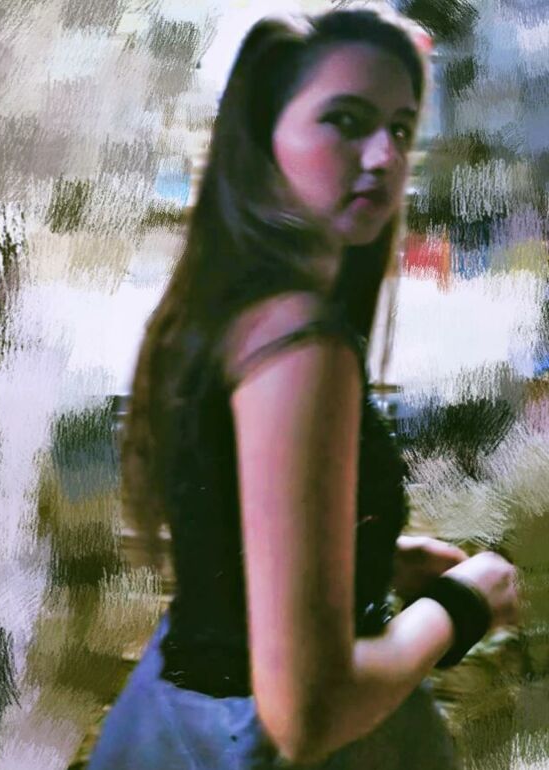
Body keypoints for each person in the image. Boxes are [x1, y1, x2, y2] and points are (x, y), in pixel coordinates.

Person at [88, 8, 519, 769]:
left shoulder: (227, 306)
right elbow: (306, 714)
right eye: (346, 121)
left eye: (400, 127)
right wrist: (466, 602)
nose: (385, 156)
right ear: (262, 136)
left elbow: (226, 528)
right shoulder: (298, 344)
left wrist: (370, 553)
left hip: (178, 717)